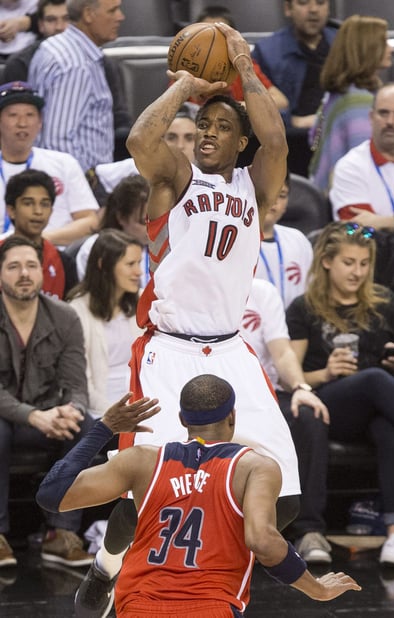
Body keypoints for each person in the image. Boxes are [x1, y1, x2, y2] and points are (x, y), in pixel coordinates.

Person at [73, 22, 301, 617]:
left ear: (241, 143)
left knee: (285, 496)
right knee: (148, 484)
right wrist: (185, 85)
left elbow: (278, 142)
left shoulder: (255, 182)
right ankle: (108, 567)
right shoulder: (175, 178)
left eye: (224, 127)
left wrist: (245, 68)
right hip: (169, 349)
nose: (209, 133)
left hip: (231, 351)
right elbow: (141, 140)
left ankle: (208, 567)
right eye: (205, 124)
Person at [36, 374, 361, 617]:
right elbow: (262, 540)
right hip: (211, 606)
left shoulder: (142, 461)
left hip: (138, 605)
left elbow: (52, 494)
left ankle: (104, 568)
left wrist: (105, 426)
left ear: (181, 421)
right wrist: (316, 589)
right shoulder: (255, 467)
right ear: (232, 417)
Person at [286, 221, 394, 569]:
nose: (358, 272)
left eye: (364, 264)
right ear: (327, 261)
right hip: (327, 404)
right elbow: (291, 376)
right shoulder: (304, 308)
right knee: (372, 378)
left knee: (389, 423)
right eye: (349, 263)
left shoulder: (384, 304)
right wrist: (326, 372)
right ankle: (310, 531)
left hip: (377, 409)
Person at [0, 235, 95, 569]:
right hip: (9, 418)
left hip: (46, 417)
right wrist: (34, 416)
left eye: (31, 266)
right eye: (13, 267)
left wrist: (71, 411)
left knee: (87, 427)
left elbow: (76, 384)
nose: (24, 273)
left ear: (42, 271)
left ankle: (61, 533)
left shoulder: (64, 316)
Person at [240, 277, 331, 562]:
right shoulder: (189, 289)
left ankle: (309, 531)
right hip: (211, 393)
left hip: (264, 395)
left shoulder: (262, 291)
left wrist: (301, 388)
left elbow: (282, 351)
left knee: (308, 414)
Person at [329, 83, 394, 302]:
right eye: (384, 113)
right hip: (376, 274)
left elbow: (375, 225)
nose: (390, 122)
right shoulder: (350, 166)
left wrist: (384, 222)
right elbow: (361, 234)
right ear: (371, 117)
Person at [28, 0, 125, 172]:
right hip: (78, 184)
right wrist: (83, 186)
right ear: (88, 15)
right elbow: (57, 142)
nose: (121, 17)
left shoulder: (53, 46)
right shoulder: (76, 64)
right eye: (112, 11)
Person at [0, 81, 99, 246]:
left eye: (30, 115)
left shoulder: (64, 163)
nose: (22, 123)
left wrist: (39, 240)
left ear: (40, 122)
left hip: (53, 253)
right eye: (13, 115)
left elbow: (90, 221)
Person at [309, 15, 393, 193]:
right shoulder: (360, 103)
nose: (391, 48)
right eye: (384, 42)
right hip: (351, 200)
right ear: (367, 48)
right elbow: (367, 166)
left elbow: (312, 138)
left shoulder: (338, 94)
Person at [68, 230, 143, 419]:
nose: (138, 272)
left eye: (139, 263)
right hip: (100, 411)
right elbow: (81, 383)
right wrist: (116, 415)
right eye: (130, 264)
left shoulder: (144, 302)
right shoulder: (76, 311)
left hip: (142, 404)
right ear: (103, 265)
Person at [252, 0, 336, 130]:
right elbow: (255, 106)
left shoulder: (344, 45)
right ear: (288, 8)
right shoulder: (266, 52)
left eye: (320, 2)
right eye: (303, 3)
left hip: (338, 136)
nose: (313, 9)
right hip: (288, 139)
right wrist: (293, 121)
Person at [195, 4, 288, 110]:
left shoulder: (242, 64)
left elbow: (281, 101)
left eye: (220, 36)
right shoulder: (184, 66)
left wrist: (231, 108)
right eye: (207, 36)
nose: (213, 42)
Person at [93, 103, 198, 197]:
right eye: (171, 137)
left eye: (189, 138)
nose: (180, 145)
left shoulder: (208, 176)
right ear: (161, 141)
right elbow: (96, 175)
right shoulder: (140, 167)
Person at [3, 169, 78, 299]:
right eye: (28, 203)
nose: (38, 211)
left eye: (44, 204)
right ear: (11, 210)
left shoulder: (65, 263)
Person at [75, 175, 149, 283]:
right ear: (121, 217)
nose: (152, 228)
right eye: (143, 222)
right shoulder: (95, 248)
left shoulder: (167, 246)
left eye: (156, 221)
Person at [254, 173, 313, 308]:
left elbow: (311, 293)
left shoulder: (298, 240)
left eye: (281, 195)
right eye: (269, 191)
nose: (274, 200)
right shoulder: (235, 241)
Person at [3, 0, 69, 82]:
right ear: (41, 25)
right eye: (51, 20)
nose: (59, 27)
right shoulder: (21, 65)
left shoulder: (87, 55)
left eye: (66, 19)